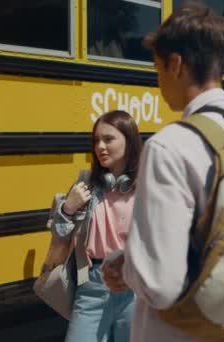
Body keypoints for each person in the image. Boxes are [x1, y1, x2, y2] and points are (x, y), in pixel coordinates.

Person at [102, 4, 224, 341]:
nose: (158, 81)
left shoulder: (169, 146)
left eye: (158, 68)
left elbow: (160, 284)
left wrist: (127, 267)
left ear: (176, 64)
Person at [51, 110, 142, 342]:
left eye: (108, 139)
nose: (100, 146)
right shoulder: (87, 182)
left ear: (129, 142)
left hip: (135, 287)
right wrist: (67, 209)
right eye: (96, 141)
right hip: (92, 284)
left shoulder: (148, 185)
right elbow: (60, 234)